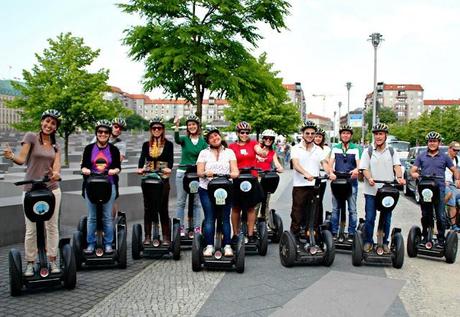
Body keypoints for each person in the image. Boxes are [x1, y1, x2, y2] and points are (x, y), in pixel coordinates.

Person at [3, 109, 62, 276]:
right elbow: (22, 159)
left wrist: (56, 174)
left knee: (51, 226)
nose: (48, 125)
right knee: (31, 228)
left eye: (53, 123)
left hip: (51, 190)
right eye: (47, 121)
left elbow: (56, 167)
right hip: (30, 189)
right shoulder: (30, 137)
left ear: (56, 127)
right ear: (41, 121)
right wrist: (11, 156)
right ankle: (30, 262)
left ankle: (52, 260)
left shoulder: (56, 146)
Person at [359, 123, 406, 253]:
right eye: (376, 134)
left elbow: (397, 166)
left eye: (381, 134)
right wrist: (369, 178)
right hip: (371, 191)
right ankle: (368, 241)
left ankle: (384, 242)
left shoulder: (391, 151)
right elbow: (364, 168)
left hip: (387, 191)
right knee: (370, 218)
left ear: (385, 135)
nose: (378, 136)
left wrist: (399, 177)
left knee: (386, 218)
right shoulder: (368, 151)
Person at [410, 131, 460, 246]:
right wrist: (415, 174)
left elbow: (454, 170)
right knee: (426, 215)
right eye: (430, 141)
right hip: (425, 190)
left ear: (439, 143)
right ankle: (425, 235)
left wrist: (457, 179)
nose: (432, 143)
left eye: (434, 141)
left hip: (439, 190)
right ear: (428, 143)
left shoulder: (444, 157)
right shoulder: (421, 156)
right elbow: (413, 170)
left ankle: (441, 239)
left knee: (440, 216)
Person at [197, 127, 239, 257]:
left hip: (225, 189)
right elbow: (199, 172)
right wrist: (205, 173)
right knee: (210, 218)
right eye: (211, 137)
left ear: (220, 136)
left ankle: (227, 246)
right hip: (206, 189)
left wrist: (232, 174)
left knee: (225, 218)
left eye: (216, 135)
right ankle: (209, 246)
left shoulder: (230, 152)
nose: (215, 138)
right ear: (208, 141)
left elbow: (235, 171)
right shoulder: (204, 153)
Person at [81, 120, 121, 254]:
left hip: (108, 185)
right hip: (91, 186)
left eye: (105, 132)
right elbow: (84, 166)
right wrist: (85, 170)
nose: (102, 134)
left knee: (107, 216)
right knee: (92, 216)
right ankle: (91, 244)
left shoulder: (114, 149)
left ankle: (108, 243)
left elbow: (118, 167)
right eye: (100, 132)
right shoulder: (89, 148)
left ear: (109, 134)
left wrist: (114, 171)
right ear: (96, 133)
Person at [290, 120, 335, 238]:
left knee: (314, 211)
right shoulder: (296, 148)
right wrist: (306, 173)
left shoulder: (319, 150)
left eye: (312, 133)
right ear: (303, 134)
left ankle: (312, 235)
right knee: (297, 212)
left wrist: (330, 172)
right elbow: (296, 164)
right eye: (307, 133)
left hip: (314, 185)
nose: (310, 136)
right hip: (300, 185)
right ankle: (294, 236)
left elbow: (324, 163)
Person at [137, 116, 174, 245]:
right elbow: (142, 159)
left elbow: (171, 161)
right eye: (154, 128)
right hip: (148, 177)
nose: (156, 130)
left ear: (163, 129)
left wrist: (169, 168)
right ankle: (147, 236)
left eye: (159, 128)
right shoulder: (146, 145)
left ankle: (165, 236)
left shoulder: (169, 144)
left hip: (163, 178)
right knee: (148, 207)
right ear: (151, 130)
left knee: (162, 208)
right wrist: (140, 168)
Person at [228, 121, 264, 244]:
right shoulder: (232, 147)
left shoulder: (254, 144)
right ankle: (236, 234)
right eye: (242, 132)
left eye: (247, 132)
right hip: (237, 179)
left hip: (251, 178)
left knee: (250, 207)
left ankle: (250, 233)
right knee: (236, 207)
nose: (244, 134)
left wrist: (262, 151)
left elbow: (259, 150)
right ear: (237, 133)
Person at [174, 114, 208, 236]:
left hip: (197, 174)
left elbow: (206, 156)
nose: (191, 126)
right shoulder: (184, 140)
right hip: (183, 173)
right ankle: (180, 228)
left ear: (198, 126)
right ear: (187, 127)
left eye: (194, 124)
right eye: (189, 125)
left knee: (196, 203)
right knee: (181, 202)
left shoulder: (203, 142)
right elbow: (177, 139)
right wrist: (177, 126)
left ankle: (197, 228)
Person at [329, 124, 362, 241]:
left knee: (352, 209)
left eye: (348, 133)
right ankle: (334, 232)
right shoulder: (335, 148)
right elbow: (330, 163)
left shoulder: (356, 148)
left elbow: (359, 165)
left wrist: (356, 170)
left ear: (351, 135)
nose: (345, 135)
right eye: (343, 133)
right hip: (337, 182)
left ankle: (351, 233)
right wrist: (330, 172)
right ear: (340, 135)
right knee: (335, 208)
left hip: (350, 182)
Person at [313, 127, 331, 227]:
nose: (317, 138)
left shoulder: (326, 149)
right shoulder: (310, 148)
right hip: (311, 178)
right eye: (316, 136)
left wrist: (329, 172)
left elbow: (327, 162)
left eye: (320, 137)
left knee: (319, 201)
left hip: (322, 178)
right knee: (309, 201)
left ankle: (318, 223)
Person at [445, 141, 460, 232]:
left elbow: (457, 172)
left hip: (452, 183)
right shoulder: (443, 158)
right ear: (449, 149)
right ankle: (453, 225)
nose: (456, 152)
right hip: (442, 183)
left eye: (458, 150)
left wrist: (458, 180)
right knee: (451, 197)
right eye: (454, 150)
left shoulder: (457, 159)